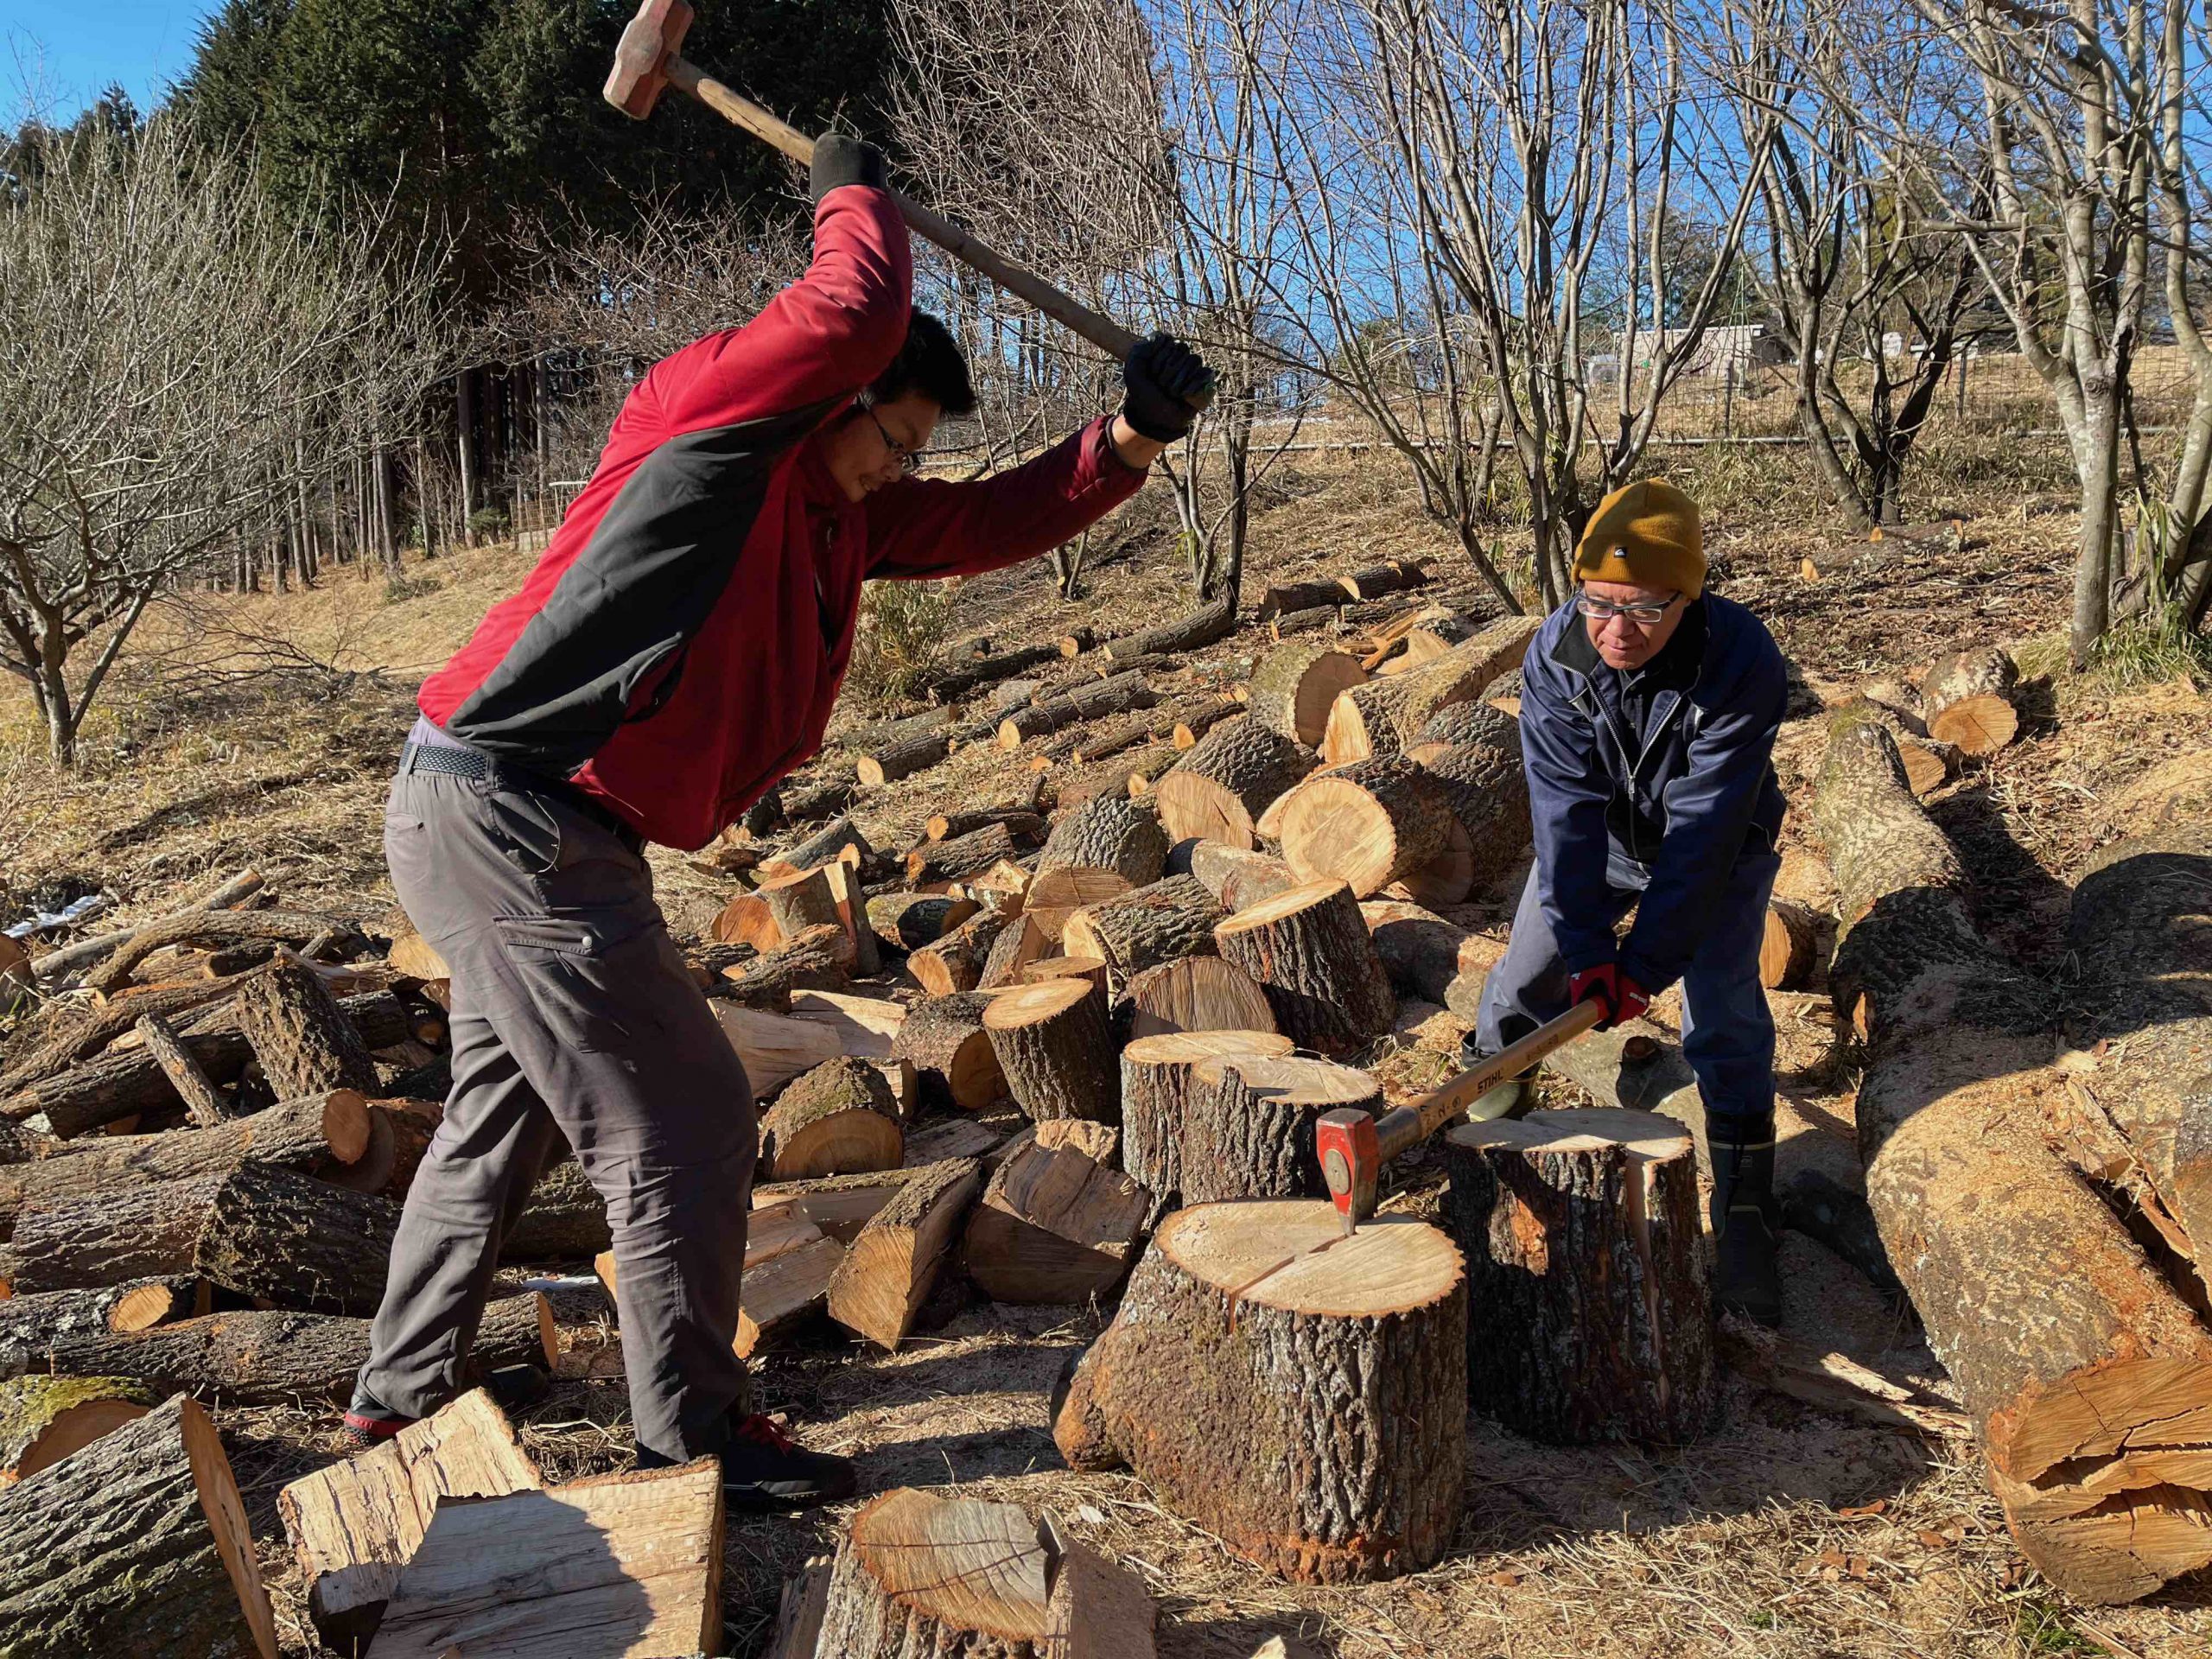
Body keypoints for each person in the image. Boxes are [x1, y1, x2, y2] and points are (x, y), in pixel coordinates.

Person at [343, 132, 1214, 1505]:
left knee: (498, 1119)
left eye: (914, 453)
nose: (898, 472)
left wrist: (1130, 440)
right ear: (831, 398)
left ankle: (394, 1413)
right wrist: (846, 183)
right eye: (892, 439)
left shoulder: (837, 514)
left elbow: (991, 521)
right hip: (507, 802)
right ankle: (690, 1437)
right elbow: (851, 304)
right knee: (683, 1111)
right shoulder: (714, 427)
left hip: (535, 819)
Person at [1465, 479, 1789, 1325]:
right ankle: (1490, 1120)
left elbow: (1705, 829)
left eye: (1644, 608)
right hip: (1600, 843)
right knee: (1524, 978)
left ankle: (1748, 1210)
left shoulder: (1740, 659)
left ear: (1688, 594)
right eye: (1598, 603)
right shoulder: (1557, 653)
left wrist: (1643, 966)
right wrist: (1586, 951)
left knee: (1721, 1007)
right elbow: (1562, 811)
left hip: (1719, 853)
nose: (1615, 630)